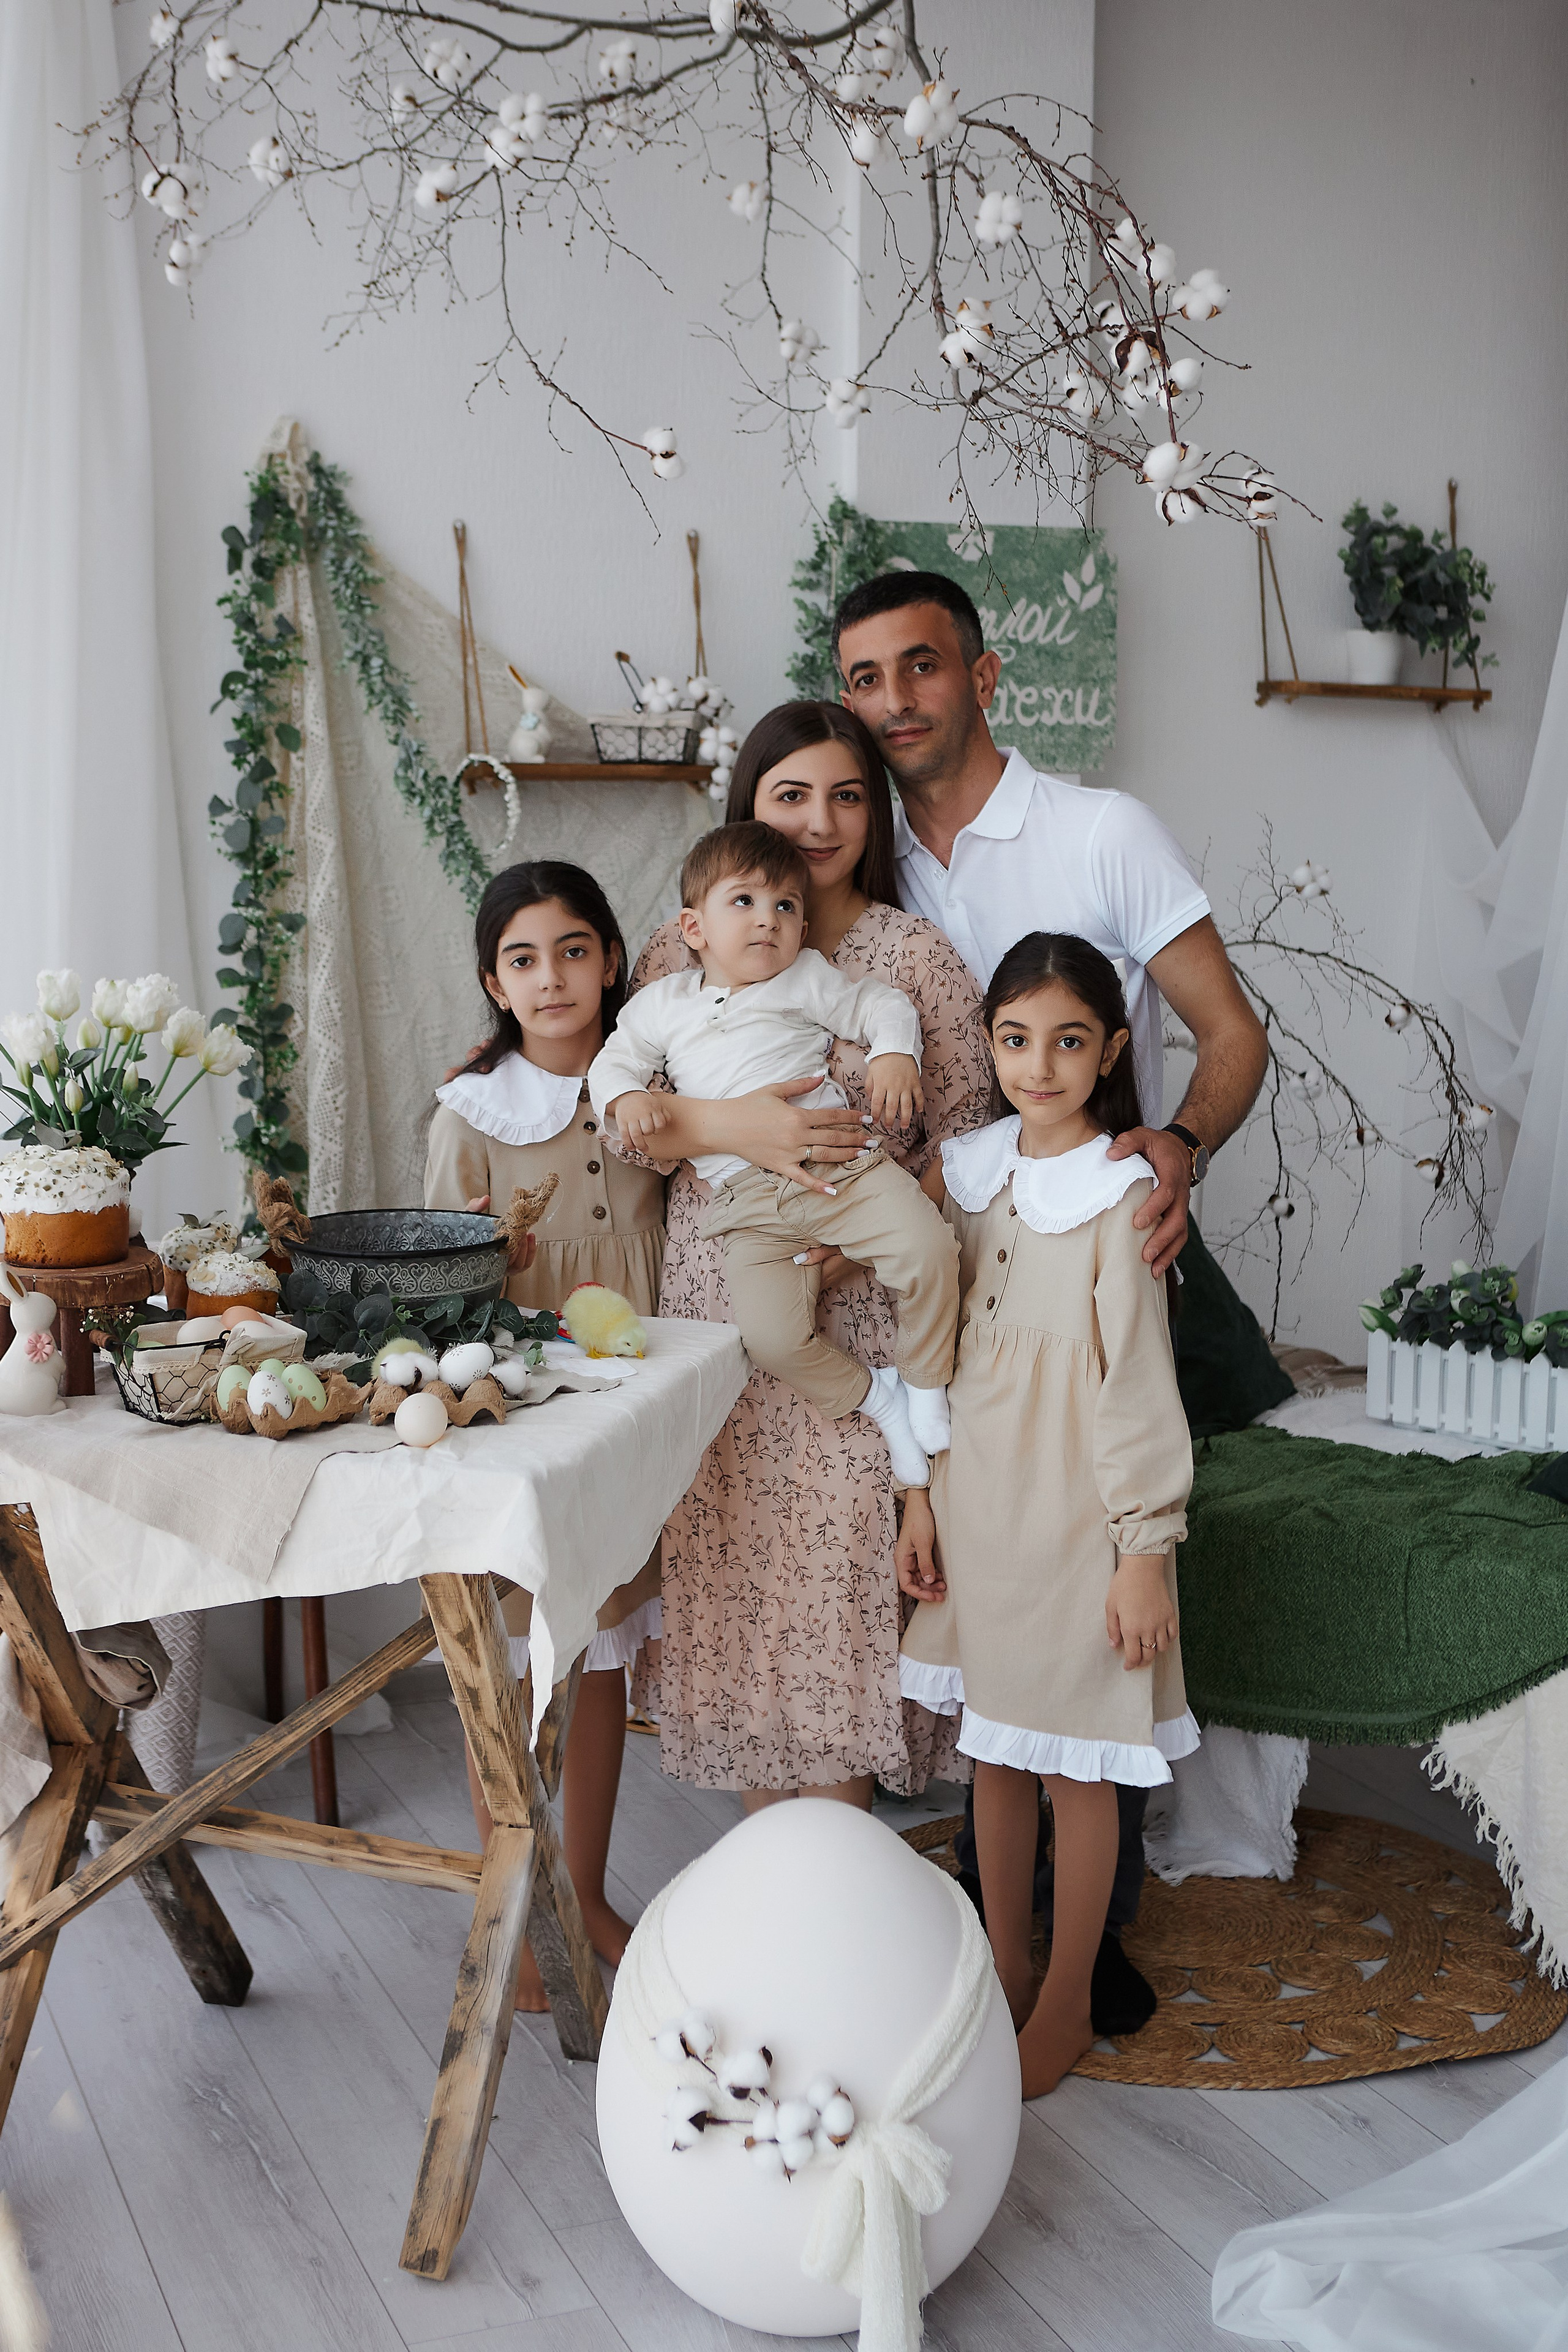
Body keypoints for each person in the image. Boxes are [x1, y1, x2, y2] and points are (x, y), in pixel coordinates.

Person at [835, 567, 1267, 2025]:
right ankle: (992, 1919)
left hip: (1109, 1232)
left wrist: (1180, 1148)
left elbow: (1225, 1030)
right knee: (1000, 1605)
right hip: (958, 1256)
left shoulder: (1101, 829)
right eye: (865, 679)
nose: (894, 701)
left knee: (1104, 1594)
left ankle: (1094, 1937)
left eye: (919, 668)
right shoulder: (871, 865)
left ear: (982, 671)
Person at [624, 702, 993, 1807]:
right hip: (722, 1301)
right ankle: (766, 1885)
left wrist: (850, 1251)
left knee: (837, 1575)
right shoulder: (682, 951)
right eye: (792, 795)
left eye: (845, 795)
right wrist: (743, 1130)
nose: (820, 821)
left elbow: (970, 1141)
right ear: (750, 808)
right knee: (733, 1564)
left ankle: (838, 1869)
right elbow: (627, 1126)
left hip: (865, 1306)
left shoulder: (906, 956)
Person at [896, 933, 1196, 2097]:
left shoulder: (1124, 1197)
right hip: (982, 1508)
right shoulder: (969, 1175)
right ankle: (1003, 1968)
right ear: (988, 1044)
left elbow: (1134, 1387)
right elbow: (927, 1349)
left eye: (1069, 1041)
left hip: (1078, 1515)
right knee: (998, 1757)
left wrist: (1144, 1551)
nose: (1040, 1063)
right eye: (1015, 1039)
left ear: (1111, 1051)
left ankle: (1069, 1994)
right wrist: (919, 1498)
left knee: (1079, 1763)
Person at [424, 859, 665, 2008]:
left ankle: (589, 1887)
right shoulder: (470, 1114)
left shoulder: (652, 1084)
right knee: (517, 1668)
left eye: (574, 950)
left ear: (611, 961)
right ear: (495, 982)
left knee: (605, 1647)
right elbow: (433, 1286)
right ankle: (514, 1905)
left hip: (638, 1397)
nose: (553, 976)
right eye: (524, 959)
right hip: (521, 1406)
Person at [589, 821, 959, 1487]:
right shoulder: (660, 1005)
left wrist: (894, 1052)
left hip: (835, 1169)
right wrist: (623, 1100)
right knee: (770, 1339)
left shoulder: (802, 979)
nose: (769, 921)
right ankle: (879, 1399)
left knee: (929, 1249)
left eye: (786, 906)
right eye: (745, 902)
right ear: (693, 929)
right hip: (746, 1202)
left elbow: (880, 1003)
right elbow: (612, 1063)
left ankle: (925, 1382)